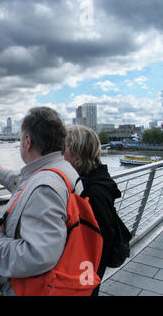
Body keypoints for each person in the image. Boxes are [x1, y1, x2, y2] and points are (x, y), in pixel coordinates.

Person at [0, 106, 82, 296]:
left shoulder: (44, 188)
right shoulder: (63, 170)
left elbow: (38, 256)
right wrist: (1, 171)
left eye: (20, 140)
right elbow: (29, 187)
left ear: (28, 141)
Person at [64, 125, 121, 296]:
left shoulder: (93, 194)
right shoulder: (94, 183)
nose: (59, 155)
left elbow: (96, 246)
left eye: (62, 150)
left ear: (77, 157)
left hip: (84, 280)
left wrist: (85, 285)